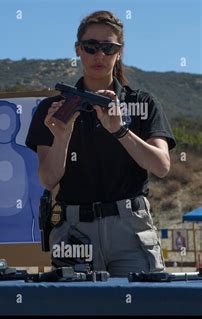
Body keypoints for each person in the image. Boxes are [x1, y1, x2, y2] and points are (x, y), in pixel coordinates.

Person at [26, 11, 176, 277]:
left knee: (141, 311)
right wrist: (62, 135)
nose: (99, 55)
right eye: (90, 47)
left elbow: (162, 166)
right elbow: (49, 179)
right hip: (74, 231)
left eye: (108, 48)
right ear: (78, 50)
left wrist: (120, 131)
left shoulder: (143, 104)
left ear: (119, 52)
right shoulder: (54, 109)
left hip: (130, 230)